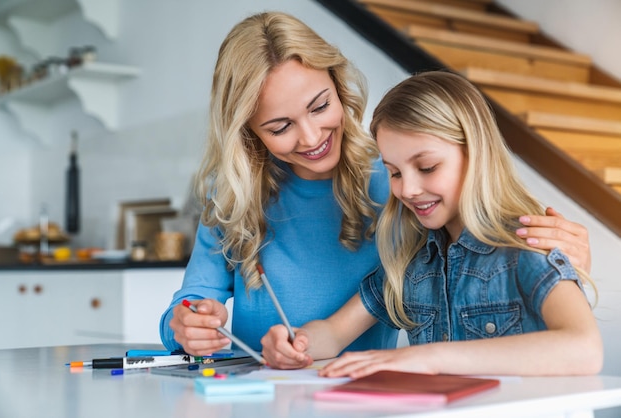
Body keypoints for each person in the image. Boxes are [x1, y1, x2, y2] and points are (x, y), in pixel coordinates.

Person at [159, 12, 593, 357]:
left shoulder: (398, 182)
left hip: (359, 394)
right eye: (280, 126)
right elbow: (192, 302)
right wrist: (186, 322)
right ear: (249, 132)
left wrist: (565, 263)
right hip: (260, 389)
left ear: (338, 85)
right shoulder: (233, 192)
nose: (311, 138)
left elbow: (477, 254)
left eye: (319, 106)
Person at [260, 71, 603, 378]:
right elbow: (334, 333)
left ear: (475, 155)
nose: (407, 189)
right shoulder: (410, 262)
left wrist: (429, 358)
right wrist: (295, 343)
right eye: (394, 172)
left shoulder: (528, 245)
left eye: (426, 167)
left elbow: (584, 350)